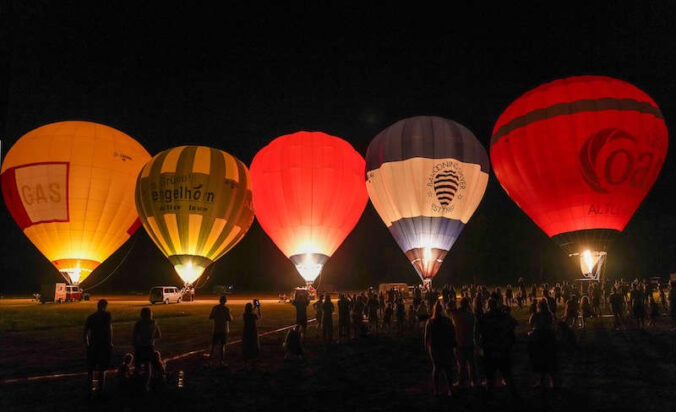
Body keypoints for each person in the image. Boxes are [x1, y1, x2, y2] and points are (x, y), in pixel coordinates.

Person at [478, 298, 519, 398]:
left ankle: (489, 393)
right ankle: (513, 394)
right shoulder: (503, 316)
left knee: (490, 374)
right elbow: (514, 323)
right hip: (502, 348)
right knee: (506, 373)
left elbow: (479, 331)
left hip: (490, 349)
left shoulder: (485, 317)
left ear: (489, 306)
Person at [424, 301, 457, 396]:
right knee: (448, 368)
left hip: (435, 347)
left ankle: (437, 390)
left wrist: (426, 347)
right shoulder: (447, 320)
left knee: (437, 368)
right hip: (446, 346)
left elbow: (426, 336)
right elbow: (452, 332)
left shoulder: (430, 322)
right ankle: (450, 389)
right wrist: (453, 343)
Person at [84, 299, 112, 395]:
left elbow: (85, 332)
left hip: (93, 344)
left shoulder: (91, 317)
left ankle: (90, 389)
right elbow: (109, 330)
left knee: (91, 369)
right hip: (103, 344)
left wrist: (87, 344)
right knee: (102, 368)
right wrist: (110, 342)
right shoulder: (107, 316)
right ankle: (101, 389)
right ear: (105, 306)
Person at [528, 299, 557, 388]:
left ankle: (542, 381)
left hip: (539, 338)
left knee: (540, 359)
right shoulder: (549, 315)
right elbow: (552, 324)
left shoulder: (536, 315)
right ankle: (552, 381)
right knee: (548, 359)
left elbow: (530, 323)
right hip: (548, 337)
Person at [451, 297, 478, 389]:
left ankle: (462, 382)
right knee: (472, 364)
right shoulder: (471, 316)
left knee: (461, 365)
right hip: (470, 342)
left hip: (460, 342)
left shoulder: (457, 315)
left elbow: (450, 310)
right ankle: (473, 381)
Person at [133, 307, 161, 392]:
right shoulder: (154, 323)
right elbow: (158, 335)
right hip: (149, 346)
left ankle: (137, 383)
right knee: (147, 366)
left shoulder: (139, 324)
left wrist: (136, 342)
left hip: (140, 346)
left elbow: (134, 335)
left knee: (137, 365)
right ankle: (146, 385)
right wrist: (151, 338)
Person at [208, 295, 232, 365]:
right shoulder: (226, 309)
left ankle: (210, 359)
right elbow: (230, 319)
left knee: (213, 345)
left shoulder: (215, 308)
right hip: (224, 329)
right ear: (225, 301)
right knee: (222, 345)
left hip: (216, 329)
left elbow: (210, 317)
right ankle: (221, 361)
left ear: (219, 300)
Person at [242, 302, 261, 367]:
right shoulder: (253, 315)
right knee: (253, 344)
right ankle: (253, 361)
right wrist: (258, 308)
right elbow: (259, 316)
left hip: (246, 331)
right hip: (253, 331)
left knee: (247, 344)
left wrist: (254, 307)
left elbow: (250, 312)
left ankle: (246, 361)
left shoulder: (244, 315)